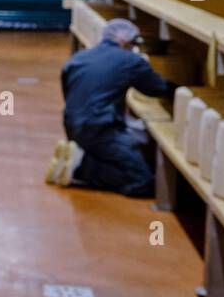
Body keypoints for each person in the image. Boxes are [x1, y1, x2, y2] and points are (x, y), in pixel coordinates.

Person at [47, 18, 175, 197]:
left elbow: (69, 93)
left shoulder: (78, 58)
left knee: (117, 154)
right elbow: (156, 88)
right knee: (143, 181)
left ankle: (78, 155)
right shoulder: (131, 60)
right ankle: (81, 166)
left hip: (72, 125)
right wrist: (180, 90)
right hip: (101, 129)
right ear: (125, 41)